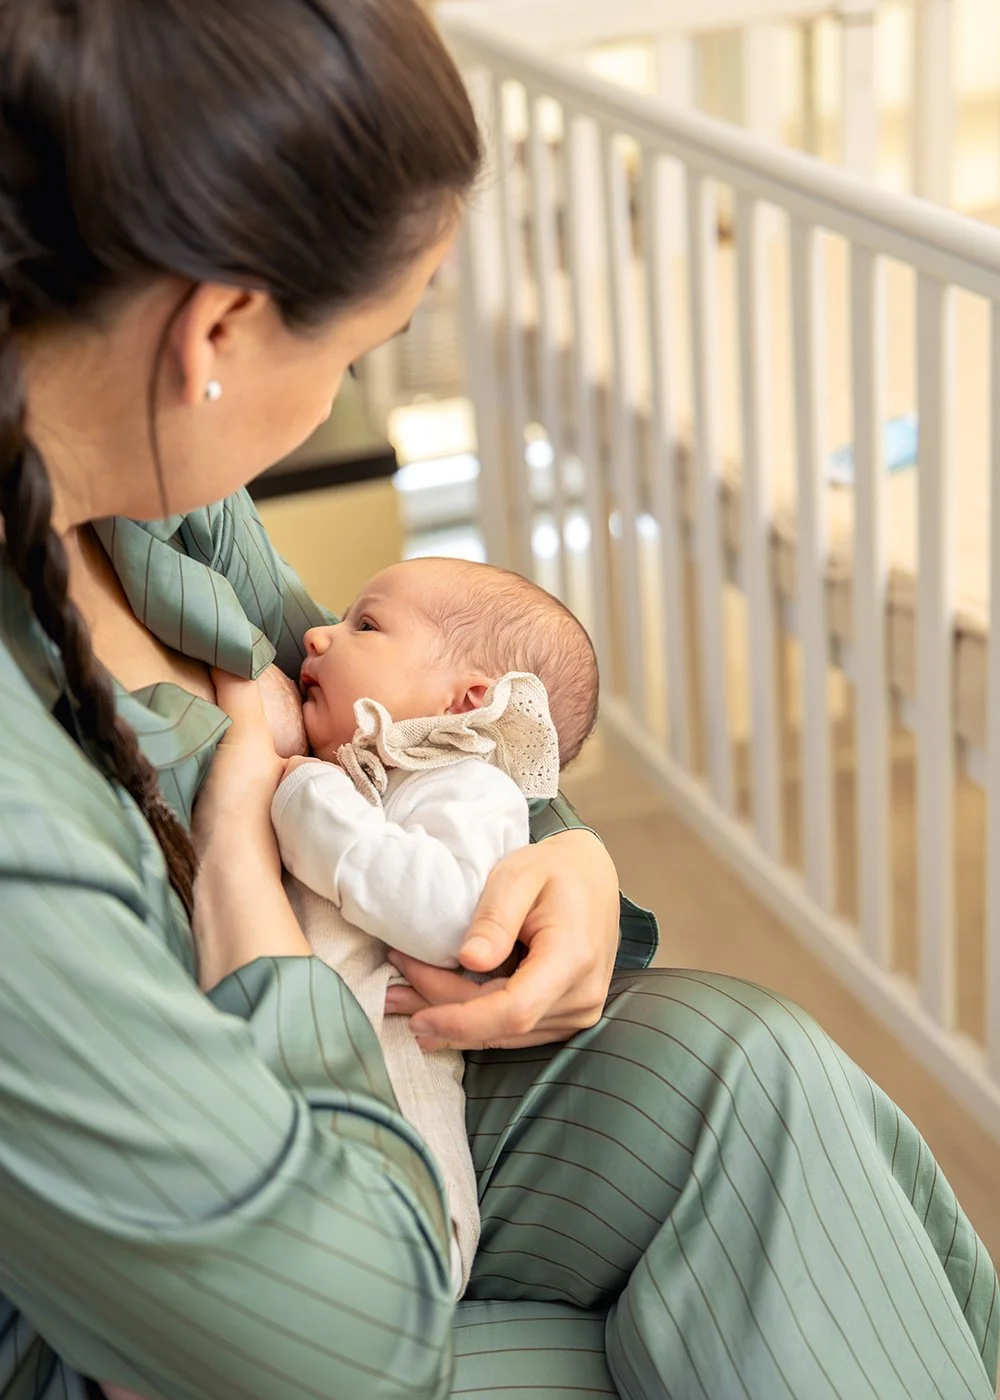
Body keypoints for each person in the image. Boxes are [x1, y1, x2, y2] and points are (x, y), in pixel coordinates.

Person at [0, 1, 995, 1398]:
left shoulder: (163, 508)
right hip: (185, 1295)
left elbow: (415, 717)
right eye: (353, 352)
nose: (342, 391)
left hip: (358, 1118)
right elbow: (339, 1346)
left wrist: (556, 853)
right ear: (215, 326)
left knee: (758, 1080)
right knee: (729, 1328)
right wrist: (237, 851)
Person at [272, 556, 599, 1296]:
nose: (318, 637)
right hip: (312, 1090)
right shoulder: (380, 774)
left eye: (366, 624)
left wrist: (307, 795)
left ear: (467, 700)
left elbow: (454, 915)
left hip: (399, 1146)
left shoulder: (470, 786)